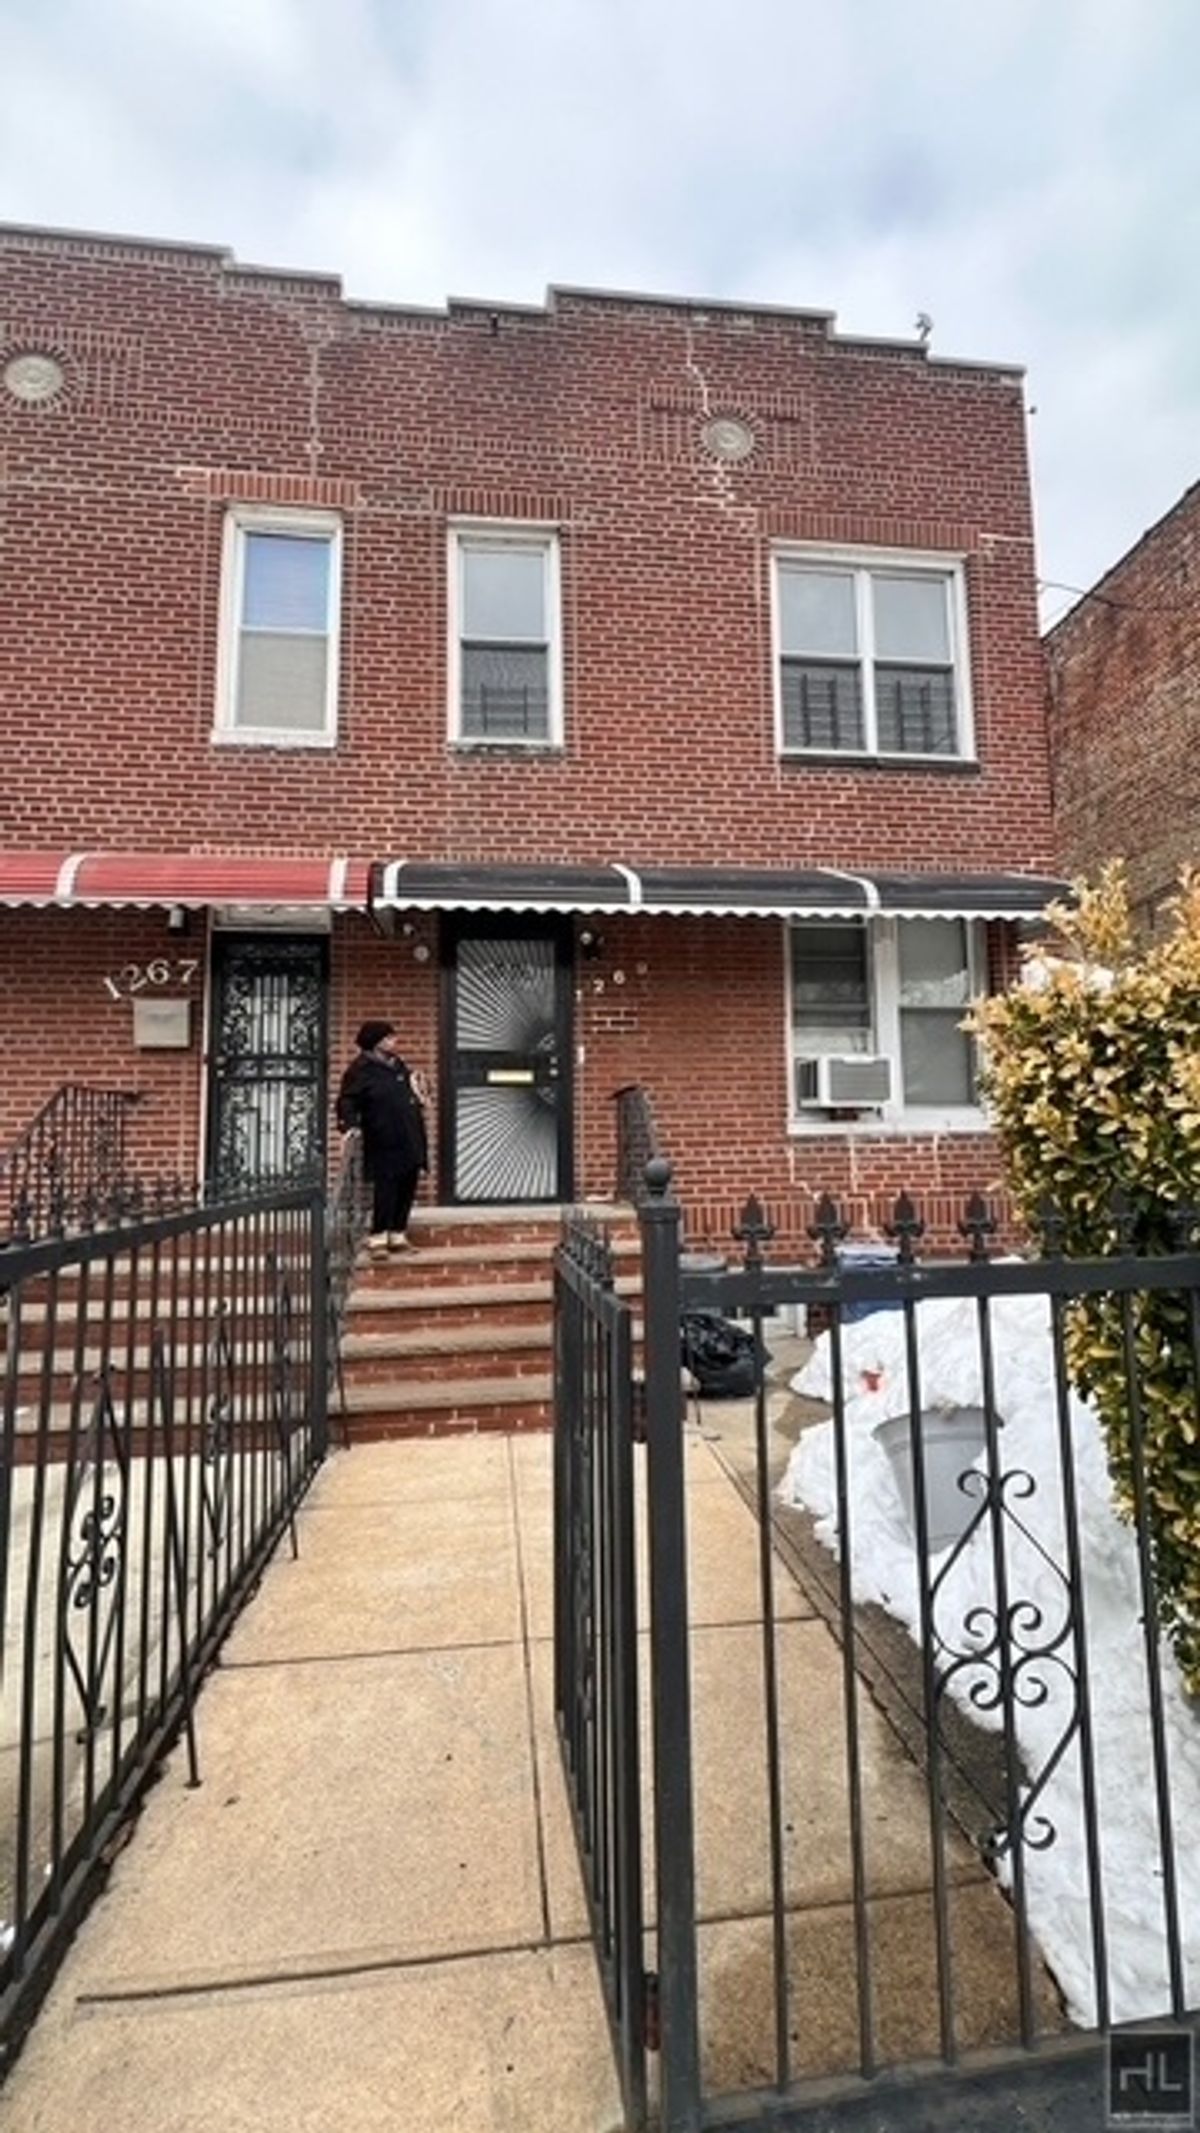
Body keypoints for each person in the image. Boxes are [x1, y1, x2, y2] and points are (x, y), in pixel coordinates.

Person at [336, 1021, 428, 1257]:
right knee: (387, 1186)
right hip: (383, 1135)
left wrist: (418, 1089)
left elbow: (410, 1088)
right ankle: (378, 1237)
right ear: (375, 1042)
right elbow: (347, 1101)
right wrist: (350, 1126)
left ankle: (398, 1233)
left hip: (409, 1132)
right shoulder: (360, 1069)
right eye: (388, 1038)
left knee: (408, 1183)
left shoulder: (397, 1064)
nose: (393, 1041)